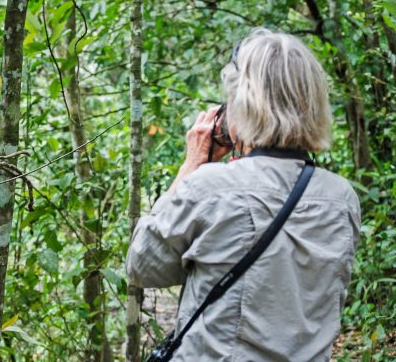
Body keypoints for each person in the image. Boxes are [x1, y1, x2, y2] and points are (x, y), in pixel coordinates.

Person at [126, 28, 360, 361]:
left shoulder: (210, 188)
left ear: (243, 105)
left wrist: (191, 164)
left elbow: (142, 265)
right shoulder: (341, 198)